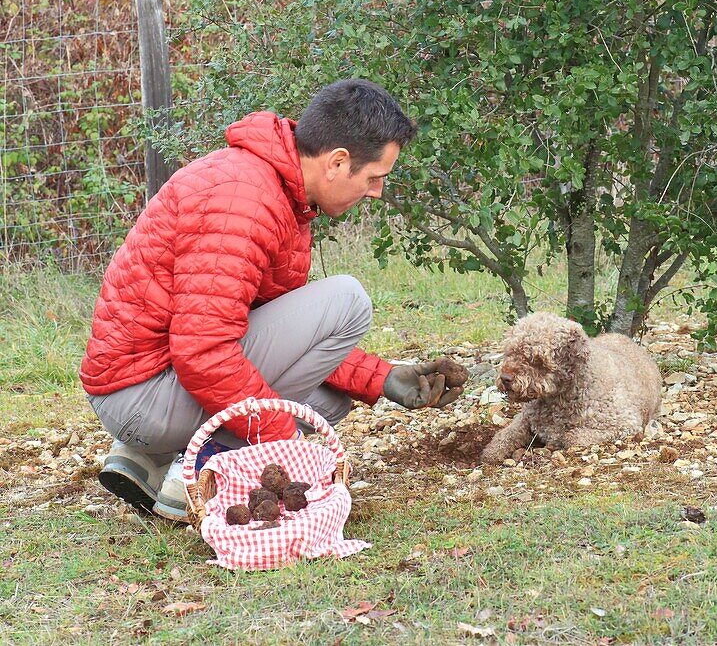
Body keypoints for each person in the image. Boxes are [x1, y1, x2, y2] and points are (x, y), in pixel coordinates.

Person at [80, 78, 465, 521]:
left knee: (328, 402)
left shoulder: (272, 188)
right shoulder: (244, 200)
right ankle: (199, 468)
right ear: (338, 162)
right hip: (142, 396)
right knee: (348, 301)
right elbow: (203, 349)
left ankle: (148, 459)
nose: (376, 192)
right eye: (374, 177)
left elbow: (269, 329)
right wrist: (283, 442)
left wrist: (379, 378)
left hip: (150, 385)